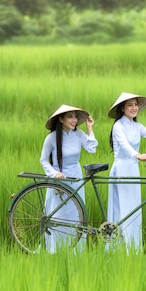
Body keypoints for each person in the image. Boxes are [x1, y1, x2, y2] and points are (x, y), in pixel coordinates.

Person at [107, 92, 146, 250]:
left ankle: (133, 247)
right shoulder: (118, 126)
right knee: (123, 207)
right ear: (122, 108)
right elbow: (124, 145)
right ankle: (119, 247)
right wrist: (137, 155)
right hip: (121, 169)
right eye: (130, 105)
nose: (134, 108)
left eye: (135, 104)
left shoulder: (136, 126)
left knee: (134, 208)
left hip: (133, 169)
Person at [40, 104, 98, 253]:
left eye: (75, 117)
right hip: (59, 179)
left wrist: (90, 128)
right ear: (61, 119)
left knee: (76, 214)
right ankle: (55, 250)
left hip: (75, 177)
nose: (74, 120)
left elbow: (92, 149)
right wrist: (54, 174)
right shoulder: (51, 138)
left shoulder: (78, 134)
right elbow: (44, 160)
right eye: (70, 117)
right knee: (59, 215)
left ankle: (75, 251)